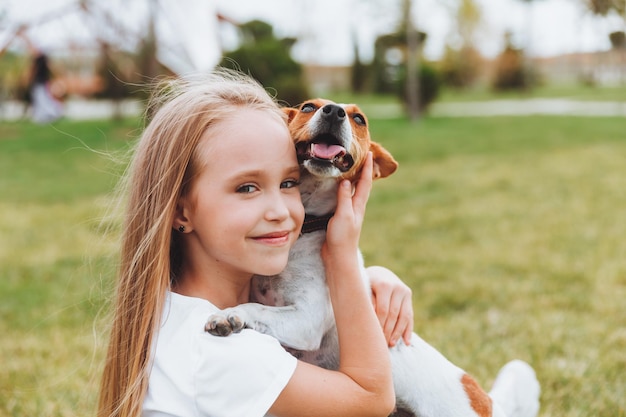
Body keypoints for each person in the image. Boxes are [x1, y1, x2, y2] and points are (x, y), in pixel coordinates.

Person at [98, 69, 414, 417]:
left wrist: (369, 277)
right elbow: (372, 399)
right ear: (181, 212)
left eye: (290, 183)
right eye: (246, 188)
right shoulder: (223, 350)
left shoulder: (176, 312)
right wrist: (342, 257)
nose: (279, 211)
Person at [18, 29, 64, 123]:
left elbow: (33, 70)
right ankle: (42, 116)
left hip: (40, 82)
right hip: (41, 81)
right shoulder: (43, 58)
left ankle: (52, 113)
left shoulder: (40, 58)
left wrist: (23, 36)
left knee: (42, 98)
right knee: (41, 99)